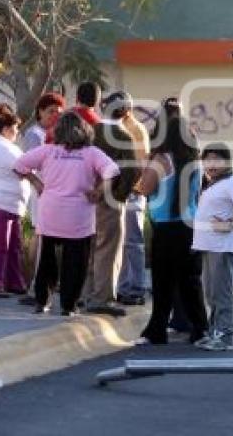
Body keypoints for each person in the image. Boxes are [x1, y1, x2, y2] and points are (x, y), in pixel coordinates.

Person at [14, 112, 120, 316]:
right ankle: (68, 305)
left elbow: (19, 165)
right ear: (85, 131)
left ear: (59, 131)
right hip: (79, 217)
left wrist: (36, 182)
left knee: (47, 261)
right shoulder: (92, 153)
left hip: (50, 213)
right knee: (76, 263)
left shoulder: (47, 151)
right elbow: (112, 171)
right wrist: (99, 191)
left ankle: (42, 301)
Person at [136, 104, 209, 345]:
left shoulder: (161, 159)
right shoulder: (195, 161)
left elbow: (145, 187)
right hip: (190, 226)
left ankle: (157, 329)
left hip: (166, 228)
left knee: (163, 281)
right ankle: (200, 327)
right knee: (191, 280)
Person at [82, 92, 140, 317]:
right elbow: (133, 170)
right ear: (125, 111)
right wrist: (119, 195)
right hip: (109, 200)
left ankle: (84, 294)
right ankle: (102, 297)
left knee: (88, 248)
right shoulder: (122, 136)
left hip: (85, 199)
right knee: (108, 250)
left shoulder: (89, 132)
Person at [192, 143, 233, 351]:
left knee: (221, 293)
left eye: (216, 160)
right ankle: (214, 332)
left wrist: (231, 223)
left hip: (221, 247)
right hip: (208, 247)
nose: (211, 165)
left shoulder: (230, 183)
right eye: (207, 160)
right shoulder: (213, 184)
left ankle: (225, 336)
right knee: (211, 293)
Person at [18, 92, 66, 306]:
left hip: (54, 194)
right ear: (39, 112)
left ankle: (45, 283)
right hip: (42, 193)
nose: (55, 115)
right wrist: (38, 184)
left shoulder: (57, 135)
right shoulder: (34, 134)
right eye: (50, 111)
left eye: (58, 112)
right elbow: (30, 164)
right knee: (40, 238)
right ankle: (34, 286)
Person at [0, 104, 33, 297]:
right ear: (6, 129)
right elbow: (23, 167)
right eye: (16, 128)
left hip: (9, 204)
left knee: (14, 246)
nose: (17, 132)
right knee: (1, 246)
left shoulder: (1, 145)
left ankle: (15, 282)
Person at [115, 92, 151, 306]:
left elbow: (140, 164)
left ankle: (136, 287)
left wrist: (131, 189)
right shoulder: (120, 127)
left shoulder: (135, 129)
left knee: (133, 242)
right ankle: (125, 286)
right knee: (125, 242)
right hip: (123, 191)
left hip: (132, 192)